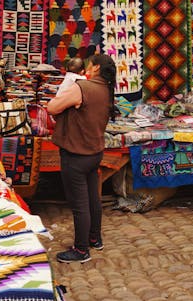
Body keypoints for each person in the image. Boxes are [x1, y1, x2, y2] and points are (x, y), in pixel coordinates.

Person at [46, 54, 118, 263]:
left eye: (89, 65)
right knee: (93, 198)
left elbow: (52, 108)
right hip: (94, 152)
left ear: (95, 68)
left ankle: (81, 249)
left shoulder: (82, 88)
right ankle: (95, 238)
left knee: (80, 204)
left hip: (76, 154)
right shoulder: (107, 89)